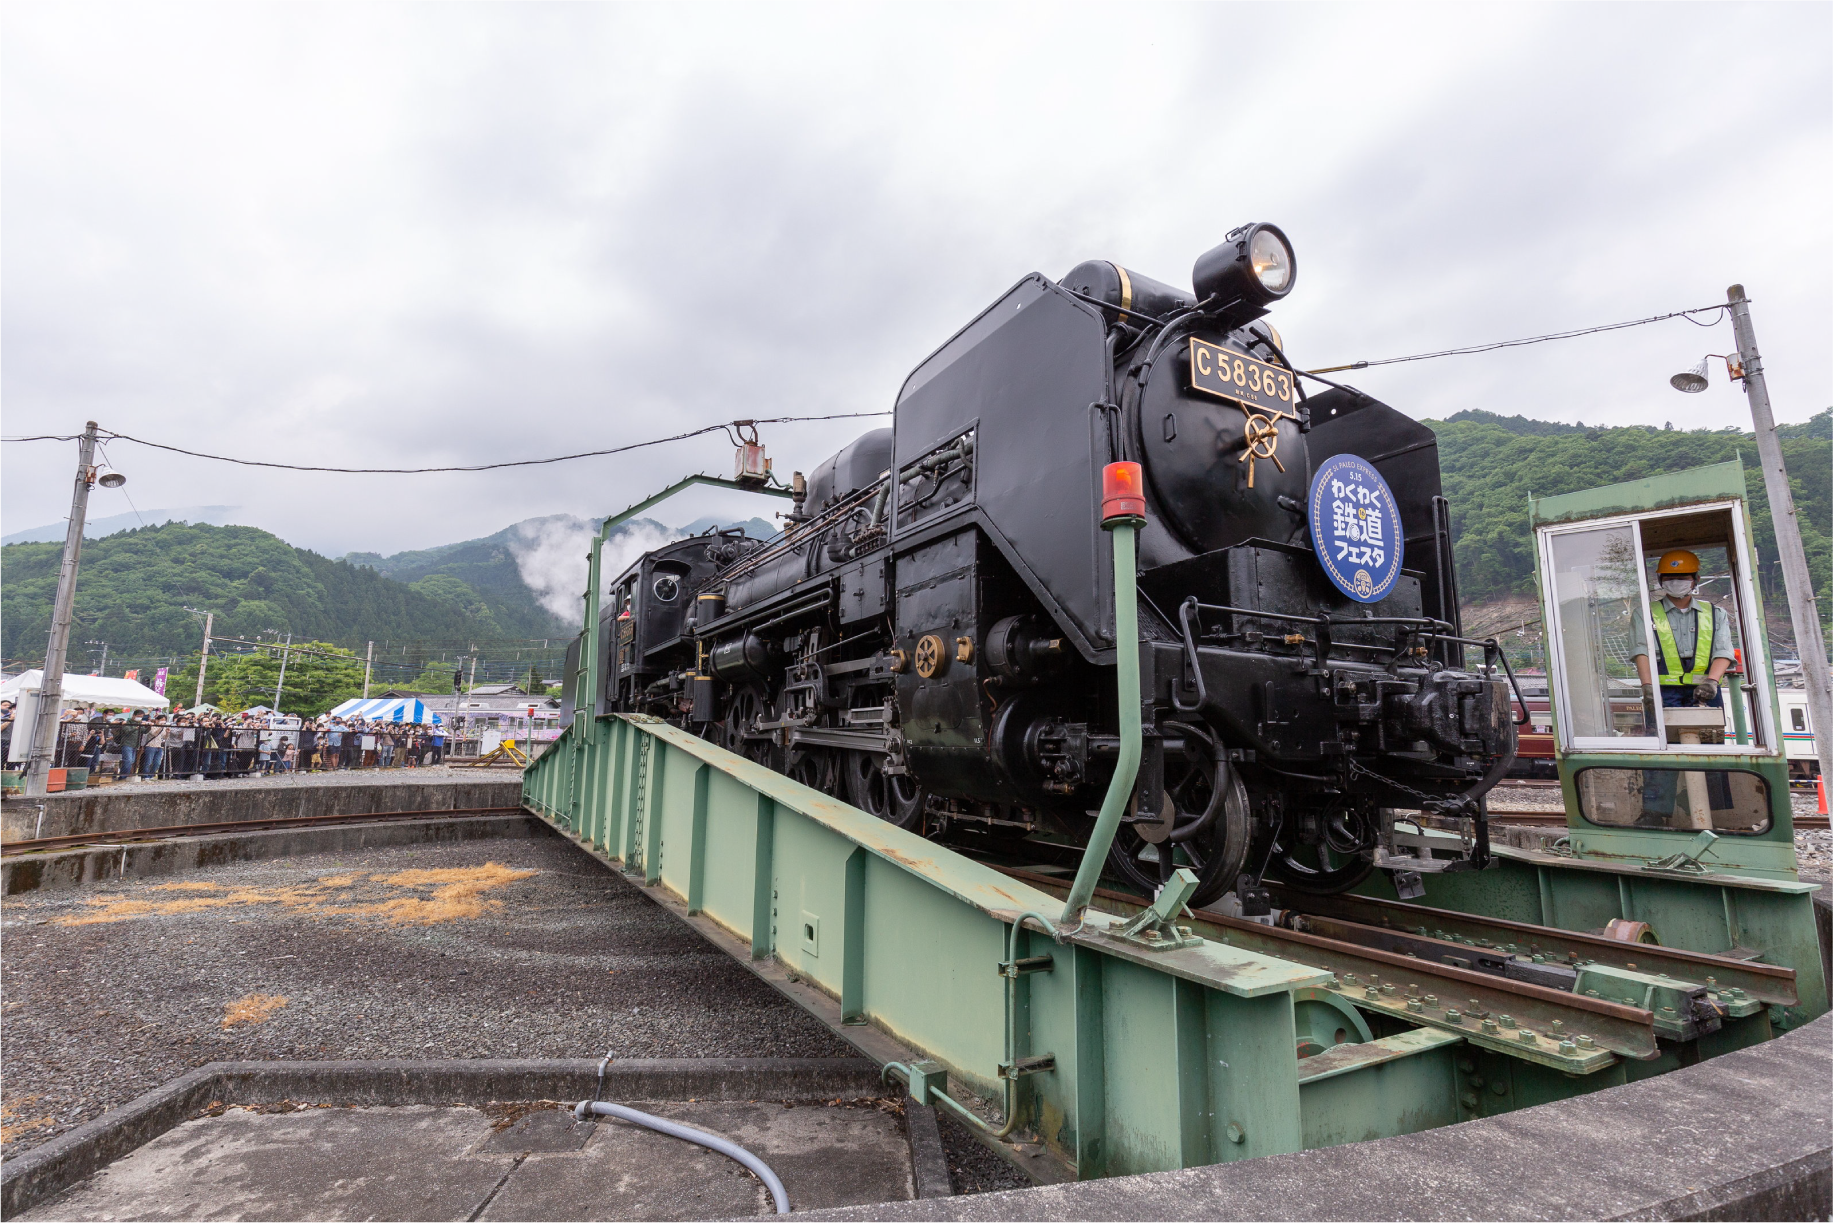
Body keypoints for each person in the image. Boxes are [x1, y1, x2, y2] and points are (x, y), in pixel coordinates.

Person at [1629, 548, 1738, 824]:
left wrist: (1712, 681)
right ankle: (1656, 812)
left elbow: (1724, 651)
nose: (1676, 581)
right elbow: (1641, 651)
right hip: (1663, 691)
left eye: (1682, 576)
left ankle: (1713, 814)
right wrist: (1648, 688)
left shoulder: (1715, 614)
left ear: (1695, 579)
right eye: (1670, 576)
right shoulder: (1647, 613)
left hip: (1706, 692)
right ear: (1660, 580)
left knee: (1711, 751)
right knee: (1661, 750)